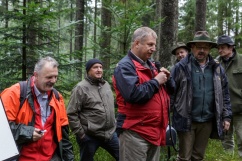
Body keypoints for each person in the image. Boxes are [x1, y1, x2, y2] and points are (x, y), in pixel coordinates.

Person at [112, 26, 175, 161]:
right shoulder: (125, 66)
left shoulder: (151, 65)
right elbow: (134, 95)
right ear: (136, 44)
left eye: (154, 45)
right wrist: (156, 82)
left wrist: (168, 80)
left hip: (154, 132)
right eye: (150, 44)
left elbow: (170, 92)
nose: (154, 49)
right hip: (135, 132)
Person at [170, 31, 232, 161]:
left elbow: (225, 94)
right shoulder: (181, 67)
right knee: (184, 157)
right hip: (186, 119)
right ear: (192, 48)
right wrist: (166, 117)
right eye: (198, 47)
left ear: (210, 49)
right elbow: (170, 93)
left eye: (205, 47)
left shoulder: (217, 68)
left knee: (198, 156)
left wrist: (226, 116)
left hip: (207, 121)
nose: (202, 50)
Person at [0, 56, 74, 161]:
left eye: (55, 77)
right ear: (36, 75)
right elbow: (2, 129)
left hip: (51, 158)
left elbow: (64, 136)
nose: (53, 81)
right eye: (49, 77)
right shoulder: (14, 93)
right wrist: (28, 133)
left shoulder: (57, 97)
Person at [67, 58, 119, 161]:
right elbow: (71, 113)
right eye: (95, 67)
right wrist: (81, 134)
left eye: (100, 67)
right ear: (88, 71)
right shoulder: (80, 88)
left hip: (110, 134)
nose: (99, 70)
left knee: (124, 156)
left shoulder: (106, 85)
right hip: (90, 136)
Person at [216, 35, 242, 157]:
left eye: (222, 47)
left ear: (231, 47)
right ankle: (229, 159)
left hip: (240, 109)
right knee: (226, 140)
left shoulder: (241, 61)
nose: (220, 50)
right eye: (218, 48)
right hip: (224, 110)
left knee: (241, 139)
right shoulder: (216, 63)